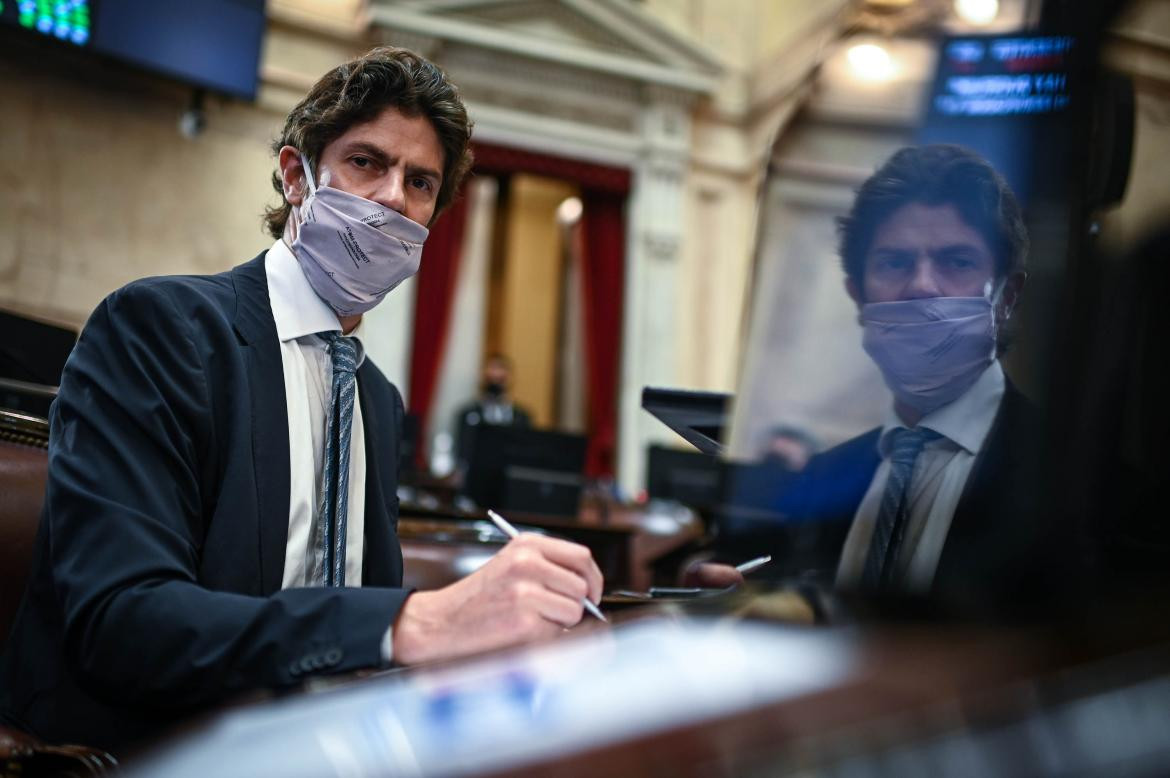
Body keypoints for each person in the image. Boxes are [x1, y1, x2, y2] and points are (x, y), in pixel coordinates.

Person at [0, 47, 603, 753]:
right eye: (367, 163)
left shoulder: (377, 400)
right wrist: (410, 624)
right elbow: (124, 622)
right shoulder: (160, 329)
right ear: (296, 176)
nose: (391, 199)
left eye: (420, 182)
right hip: (143, 749)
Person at [772, 144, 1049, 609]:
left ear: (1006, 296)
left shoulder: (1073, 480)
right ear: (859, 296)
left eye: (956, 261)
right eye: (895, 262)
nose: (921, 285)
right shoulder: (824, 479)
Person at [454, 353, 532, 472]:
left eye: (500, 377)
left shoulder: (521, 417)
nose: (496, 375)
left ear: (510, 377)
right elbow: (461, 452)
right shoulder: (468, 414)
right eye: (491, 376)